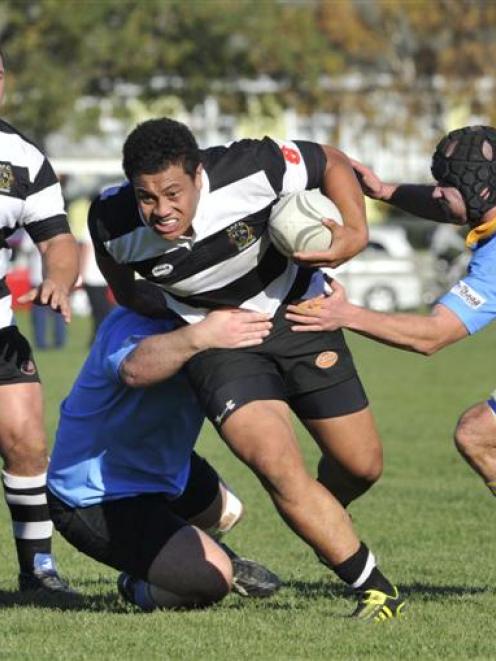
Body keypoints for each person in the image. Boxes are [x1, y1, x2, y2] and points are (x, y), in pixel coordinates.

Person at [88, 117, 405, 621]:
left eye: (173, 193)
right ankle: (376, 588)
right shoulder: (110, 219)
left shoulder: (250, 166)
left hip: (300, 315)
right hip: (222, 344)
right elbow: (128, 292)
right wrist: (195, 321)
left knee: (360, 465)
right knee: (277, 463)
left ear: (198, 174)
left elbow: (330, 160)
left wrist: (355, 232)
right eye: (148, 197)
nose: (162, 211)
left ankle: (314, 514)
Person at [286, 124, 496, 502]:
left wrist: (345, 315)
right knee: (478, 434)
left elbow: (433, 335)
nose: (435, 193)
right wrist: (384, 192)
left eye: (445, 185)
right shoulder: (487, 209)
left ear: (481, 191)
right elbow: (446, 205)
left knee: (478, 436)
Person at [47, 304, 281, 609]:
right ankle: (137, 585)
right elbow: (134, 368)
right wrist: (203, 334)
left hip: (161, 469)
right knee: (214, 579)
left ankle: (192, 551)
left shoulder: (212, 320)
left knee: (229, 511)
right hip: (95, 495)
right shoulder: (135, 319)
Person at [0, 48, 79, 593]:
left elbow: (57, 238)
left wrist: (58, 276)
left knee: (26, 437)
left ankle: (38, 571)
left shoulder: (22, 157)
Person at [68, 194, 113, 344]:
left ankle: (97, 338)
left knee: (101, 310)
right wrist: (81, 273)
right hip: (94, 276)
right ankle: (97, 339)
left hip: (99, 276)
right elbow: (85, 250)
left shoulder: (96, 225)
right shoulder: (95, 226)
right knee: (100, 310)